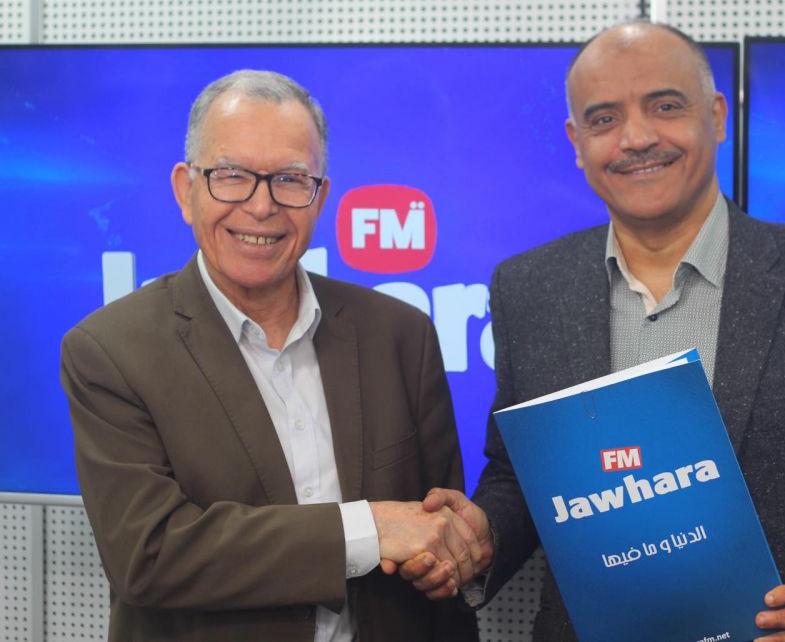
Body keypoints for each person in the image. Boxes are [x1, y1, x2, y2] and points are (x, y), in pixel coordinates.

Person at [400, 22, 785, 641]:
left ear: (716, 117)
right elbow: (522, 476)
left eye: (665, 106)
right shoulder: (528, 288)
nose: (637, 138)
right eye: (604, 118)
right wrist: (484, 534)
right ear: (578, 142)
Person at [60, 70, 481, 642]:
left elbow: (438, 540)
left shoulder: (402, 336)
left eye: (289, 179)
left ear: (320, 198)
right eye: (231, 176)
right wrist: (370, 528)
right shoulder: (109, 352)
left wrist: (451, 556)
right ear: (186, 190)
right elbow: (151, 555)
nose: (261, 206)